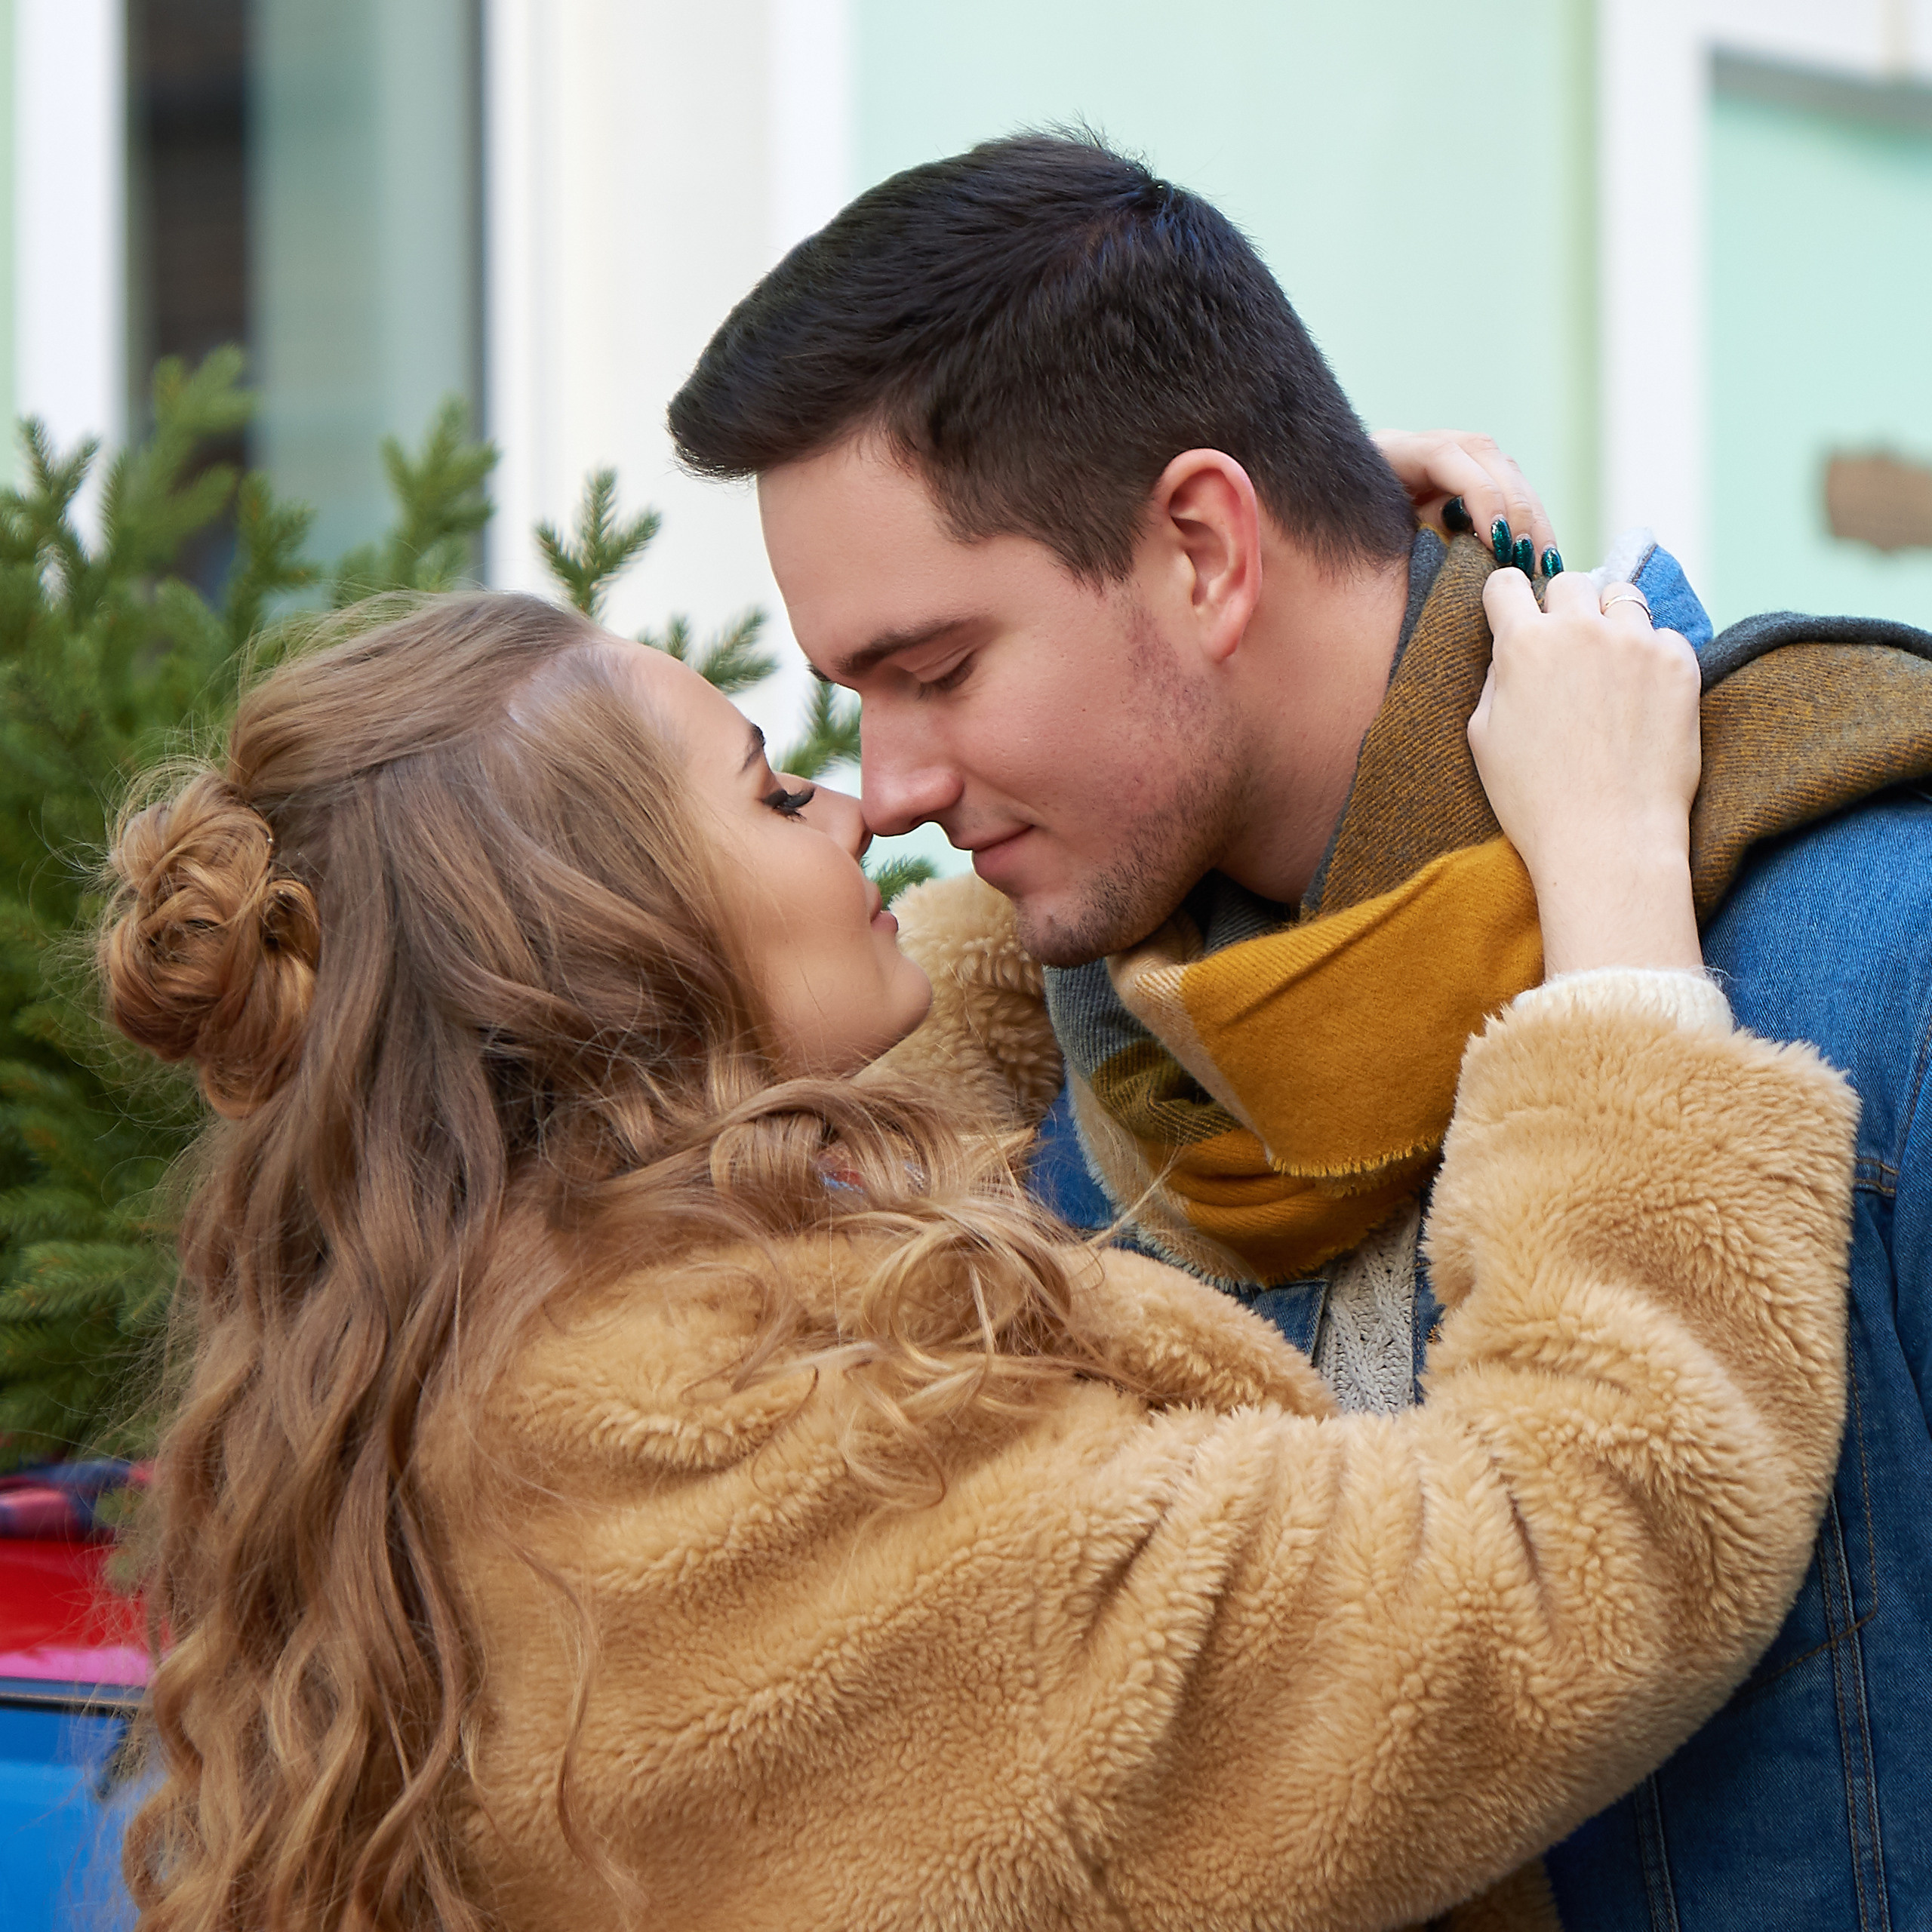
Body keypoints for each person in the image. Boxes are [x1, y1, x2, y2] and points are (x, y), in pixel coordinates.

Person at [103, 583, 1854, 1932]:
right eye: (773, 788)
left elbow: (889, 1101)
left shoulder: (507, 1336)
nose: (864, 804)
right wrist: (1616, 876)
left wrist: (1255, 645)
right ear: (616, 953)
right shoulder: (781, 1484)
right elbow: (1570, 1544)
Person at [668, 131, 1932, 1931]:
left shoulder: (1878, 953)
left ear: (1200, 547)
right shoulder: (1053, 1068)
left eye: (936, 670)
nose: (890, 788)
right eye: (853, 694)